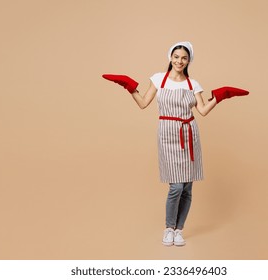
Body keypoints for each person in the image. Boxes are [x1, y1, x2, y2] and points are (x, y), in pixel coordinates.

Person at [103, 41, 248, 246]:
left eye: (184, 58)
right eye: (176, 56)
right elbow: (144, 103)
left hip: (189, 134)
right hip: (168, 135)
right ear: (170, 57)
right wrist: (128, 86)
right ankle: (169, 228)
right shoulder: (158, 79)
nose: (179, 61)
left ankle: (179, 230)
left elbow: (203, 110)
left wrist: (220, 95)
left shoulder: (193, 84)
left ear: (189, 61)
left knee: (187, 187)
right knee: (176, 186)